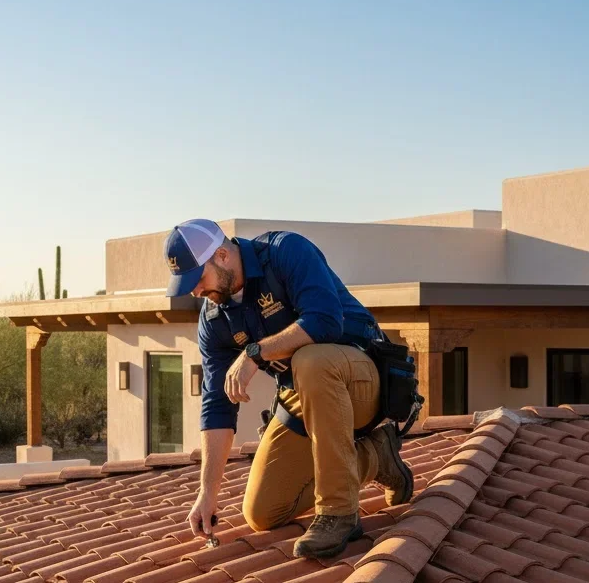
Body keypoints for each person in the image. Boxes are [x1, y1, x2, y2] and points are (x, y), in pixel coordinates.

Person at [164, 219, 414, 560]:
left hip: (363, 383)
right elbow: (217, 404)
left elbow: (325, 320)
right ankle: (377, 457)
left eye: (198, 280)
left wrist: (256, 352)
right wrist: (208, 493)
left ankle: (339, 513)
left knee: (311, 360)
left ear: (222, 255)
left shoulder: (285, 252)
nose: (195, 292)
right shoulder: (214, 320)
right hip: (304, 395)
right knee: (264, 512)